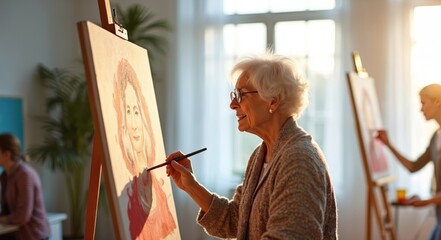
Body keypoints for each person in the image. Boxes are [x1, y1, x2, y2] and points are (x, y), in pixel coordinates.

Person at [165, 52, 338, 239]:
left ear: (273, 100)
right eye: (234, 94)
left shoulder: (299, 159)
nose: (232, 104)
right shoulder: (260, 154)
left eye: (241, 95)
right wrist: (190, 185)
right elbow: (237, 220)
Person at [376, 83, 441, 240]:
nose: (420, 109)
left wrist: (426, 201)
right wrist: (388, 144)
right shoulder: (437, 135)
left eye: (423, 103)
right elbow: (414, 166)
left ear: (438, 103)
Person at [113, 59, 177, 239]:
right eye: (127, 111)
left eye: (136, 111)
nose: (134, 124)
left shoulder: (157, 185)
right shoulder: (130, 192)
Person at [0, 133, 51, 240]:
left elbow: (23, 216)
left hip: (34, 235)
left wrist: (2, 219)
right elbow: (7, 209)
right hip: (19, 234)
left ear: (6, 154)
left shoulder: (25, 175)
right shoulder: (5, 176)